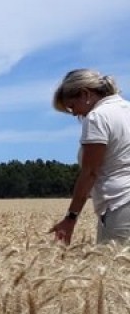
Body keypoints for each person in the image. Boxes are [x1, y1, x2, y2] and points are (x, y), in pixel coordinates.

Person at [50, 69, 130, 245]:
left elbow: (90, 172)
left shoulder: (97, 117)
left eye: (72, 107)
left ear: (85, 94)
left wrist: (70, 218)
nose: (73, 114)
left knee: (114, 270)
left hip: (120, 204)